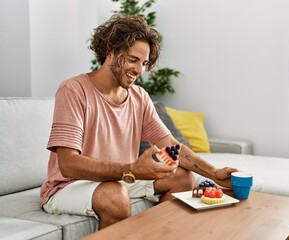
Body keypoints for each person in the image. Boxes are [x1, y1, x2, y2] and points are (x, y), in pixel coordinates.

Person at [40, 14, 238, 230]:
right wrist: (132, 169)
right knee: (114, 194)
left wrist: (214, 174)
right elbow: (68, 164)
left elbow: (170, 145)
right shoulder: (73, 90)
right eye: (133, 60)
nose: (139, 70)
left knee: (182, 177)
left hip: (118, 179)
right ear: (110, 51)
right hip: (69, 186)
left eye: (144, 63)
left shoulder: (139, 96)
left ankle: (153, 234)